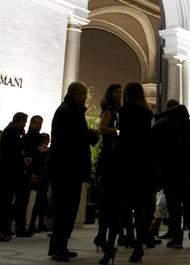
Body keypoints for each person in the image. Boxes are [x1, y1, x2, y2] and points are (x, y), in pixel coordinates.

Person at [45, 82, 100, 262]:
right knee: (64, 210)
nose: (86, 97)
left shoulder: (70, 110)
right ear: (79, 95)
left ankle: (60, 246)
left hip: (68, 168)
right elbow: (70, 138)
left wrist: (88, 135)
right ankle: (58, 248)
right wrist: (90, 135)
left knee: (67, 210)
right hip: (65, 169)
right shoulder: (67, 112)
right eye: (84, 94)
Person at [151, 98, 190, 249]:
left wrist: (158, 167)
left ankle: (177, 239)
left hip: (169, 170)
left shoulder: (161, 124)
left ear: (167, 109)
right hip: (188, 170)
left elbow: (154, 148)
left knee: (173, 205)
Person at [116, 82, 155, 263]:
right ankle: (140, 242)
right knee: (142, 204)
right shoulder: (147, 114)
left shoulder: (123, 112)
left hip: (127, 160)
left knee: (125, 202)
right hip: (144, 161)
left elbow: (124, 137)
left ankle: (129, 235)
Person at [0, 112, 30, 242]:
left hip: (5, 174)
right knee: (1, 203)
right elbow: (12, 154)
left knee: (1, 203)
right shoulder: (12, 132)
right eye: (24, 122)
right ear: (20, 121)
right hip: (6, 175)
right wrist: (23, 162)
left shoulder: (10, 131)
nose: (25, 125)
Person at [94, 83, 123, 258]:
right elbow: (102, 128)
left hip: (112, 157)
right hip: (109, 158)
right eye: (116, 92)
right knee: (109, 199)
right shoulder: (108, 112)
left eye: (121, 92)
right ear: (110, 93)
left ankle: (102, 236)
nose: (119, 95)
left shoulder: (116, 111)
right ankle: (102, 237)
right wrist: (118, 131)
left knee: (111, 201)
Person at [22, 115, 44, 233]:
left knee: (35, 200)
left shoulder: (37, 138)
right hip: (29, 173)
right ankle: (22, 227)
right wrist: (29, 172)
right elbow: (27, 156)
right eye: (37, 124)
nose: (39, 126)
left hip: (35, 172)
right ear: (31, 124)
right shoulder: (28, 138)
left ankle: (29, 225)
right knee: (23, 200)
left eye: (40, 124)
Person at [29, 132, 51, 233]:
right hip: (41, 177)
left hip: (41, 177)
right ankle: (34, 224)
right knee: (40, 202)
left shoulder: (40, 150)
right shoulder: (43, 151)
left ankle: (38, 224)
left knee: (40, 201)